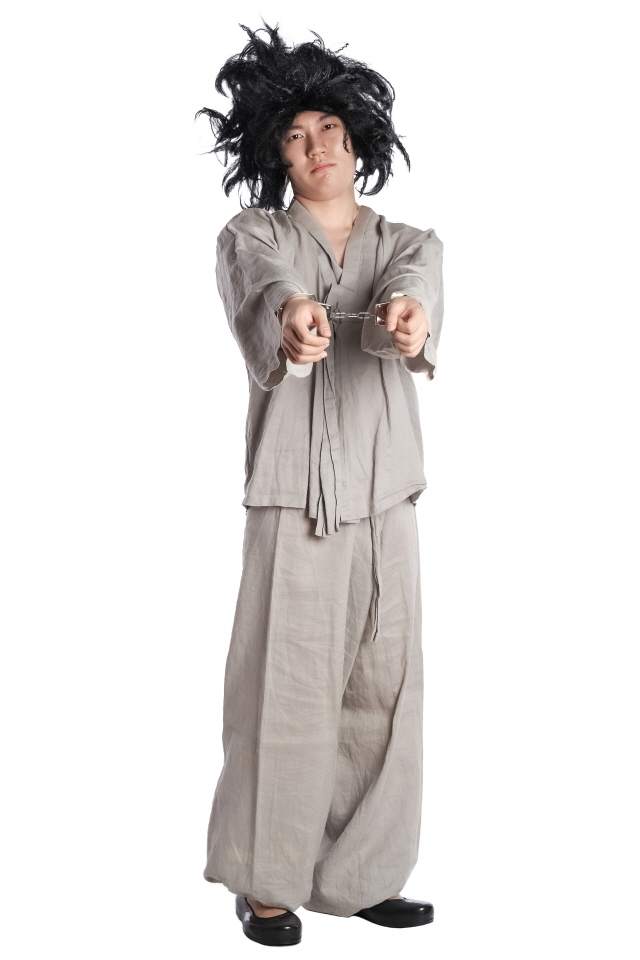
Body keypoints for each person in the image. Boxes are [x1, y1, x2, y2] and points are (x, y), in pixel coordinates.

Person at [195, 20, 444, 947]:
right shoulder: (252, 233)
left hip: (387, 496)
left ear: (358, 138)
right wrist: (295, 311)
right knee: (285, 687)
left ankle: (363, 877)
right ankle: (267, 882)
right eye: (296, 137)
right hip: (295, 497)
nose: (317, 148)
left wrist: (407, 318)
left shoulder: (408, 240)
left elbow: (413, 286)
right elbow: (264, 282)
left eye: (330, 130)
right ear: (276, 155)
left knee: (384, 688)